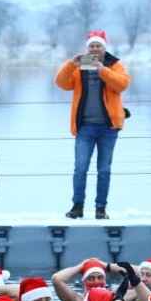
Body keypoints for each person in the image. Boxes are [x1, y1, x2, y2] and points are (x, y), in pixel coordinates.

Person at [55, 31, 131, 220]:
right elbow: (61, 83)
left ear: (105, 48)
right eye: (92, 46)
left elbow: (122, 84)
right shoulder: (80, 67)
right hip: (85, 127)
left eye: (98, 46)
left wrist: (102, 69)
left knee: (104, 169)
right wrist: (71, 64)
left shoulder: (115, 65)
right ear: (87, 48)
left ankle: (100, 208)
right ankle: (77, 206)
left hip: (108, 127)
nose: (95, 49)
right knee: (80, 167)